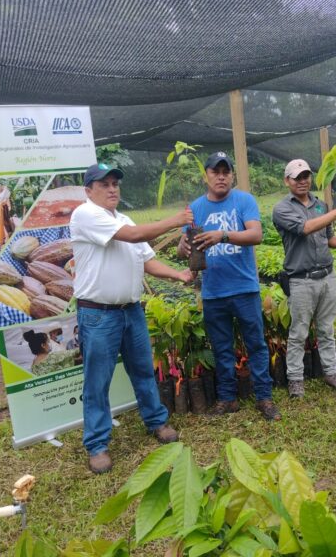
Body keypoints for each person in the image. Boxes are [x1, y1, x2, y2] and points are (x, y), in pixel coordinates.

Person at [70, 162, 195, 474]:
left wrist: (178, 275)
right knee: (98, 381)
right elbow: (135, 235)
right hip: (98, 315)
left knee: (143, 370)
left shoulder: (122, 218)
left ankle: (156, 421)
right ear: (89, 191)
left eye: (115, 184)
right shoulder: (85, 214)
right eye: (104, 184)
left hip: (131, 311)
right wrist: (176, 219)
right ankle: (97, 445)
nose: (113, 189)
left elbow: (147, 262)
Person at [177, 152, 281, 421]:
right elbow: (181, 250)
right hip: (213, 292)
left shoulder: (243, 200)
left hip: (244, 288)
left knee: (255, 344)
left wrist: (222, 235)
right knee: (221, 348)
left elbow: (256, 234)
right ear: (206, 176)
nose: (221, 176)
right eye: (215, 171)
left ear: (232, 175)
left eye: (226, 171)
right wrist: (183, 246)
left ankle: (263, 397)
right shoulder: (196, 208)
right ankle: (227, 399)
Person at [272, 159, 336, 398]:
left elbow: (328, 240)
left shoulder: (321, 205)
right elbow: (305, 228)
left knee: (326, 328)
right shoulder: (282, 209)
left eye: (306, 176)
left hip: (327, 277)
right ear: (287, 181)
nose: (302, 181)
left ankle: (332, 372)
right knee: (299, 331)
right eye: (297, 177)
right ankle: (295, 379)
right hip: (301, 280)